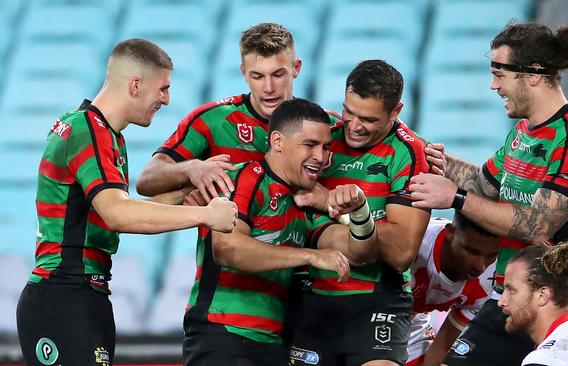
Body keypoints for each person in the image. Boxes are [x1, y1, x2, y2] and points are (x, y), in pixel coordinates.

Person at [15, 39, 238, 366]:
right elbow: (118, 213)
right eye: (162, 89)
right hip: (62, 294)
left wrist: (189, 187)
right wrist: (206, 215)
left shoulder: (105, 134)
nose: (166, 99)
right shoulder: (86, 130)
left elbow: (114, 212)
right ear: (135, 85)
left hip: (85, 295)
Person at [410, 22, 568, 365]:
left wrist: (455, 198)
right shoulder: (522, 133)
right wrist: (436, 159)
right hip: (511, 297)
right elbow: (486, 182)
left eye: (499, 74)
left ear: (532, 74)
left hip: (557, 302)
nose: (493, 86)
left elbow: (538, 226)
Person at [181, 98, 379, 366]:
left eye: (325, 147)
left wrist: (359, 213)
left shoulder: (304, 201)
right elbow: (227, 249)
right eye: (309, 145)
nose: (320, 157)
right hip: (222, 333)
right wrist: (309, 256)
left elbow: (359, 253)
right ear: (277, 142)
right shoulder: (244, 179)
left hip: (274, 344)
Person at [289, 60, 431, 366]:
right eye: (348, 112)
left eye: (367, 119)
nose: (353, 126)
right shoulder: (323, 140)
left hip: (378, 298)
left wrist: (332, 204)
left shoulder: (409, 153)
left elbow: (401, 252)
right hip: (312, 296)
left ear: (396, 112)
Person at [136, 22, 338, 202]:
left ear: (296, 68)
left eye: (278, 74)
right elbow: (146, 181)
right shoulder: (213, 120)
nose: (268, 87)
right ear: (243, 73)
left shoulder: (330, 127)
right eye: (257, 76)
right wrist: (191, 168)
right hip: (226, 241)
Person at [406, 214, 499, 366]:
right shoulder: (414, 244)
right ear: (450, 232)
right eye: (472, 252)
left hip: (415, 321)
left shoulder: (490, 280)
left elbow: (442, 346)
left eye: (491, 255)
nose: (480, 266)